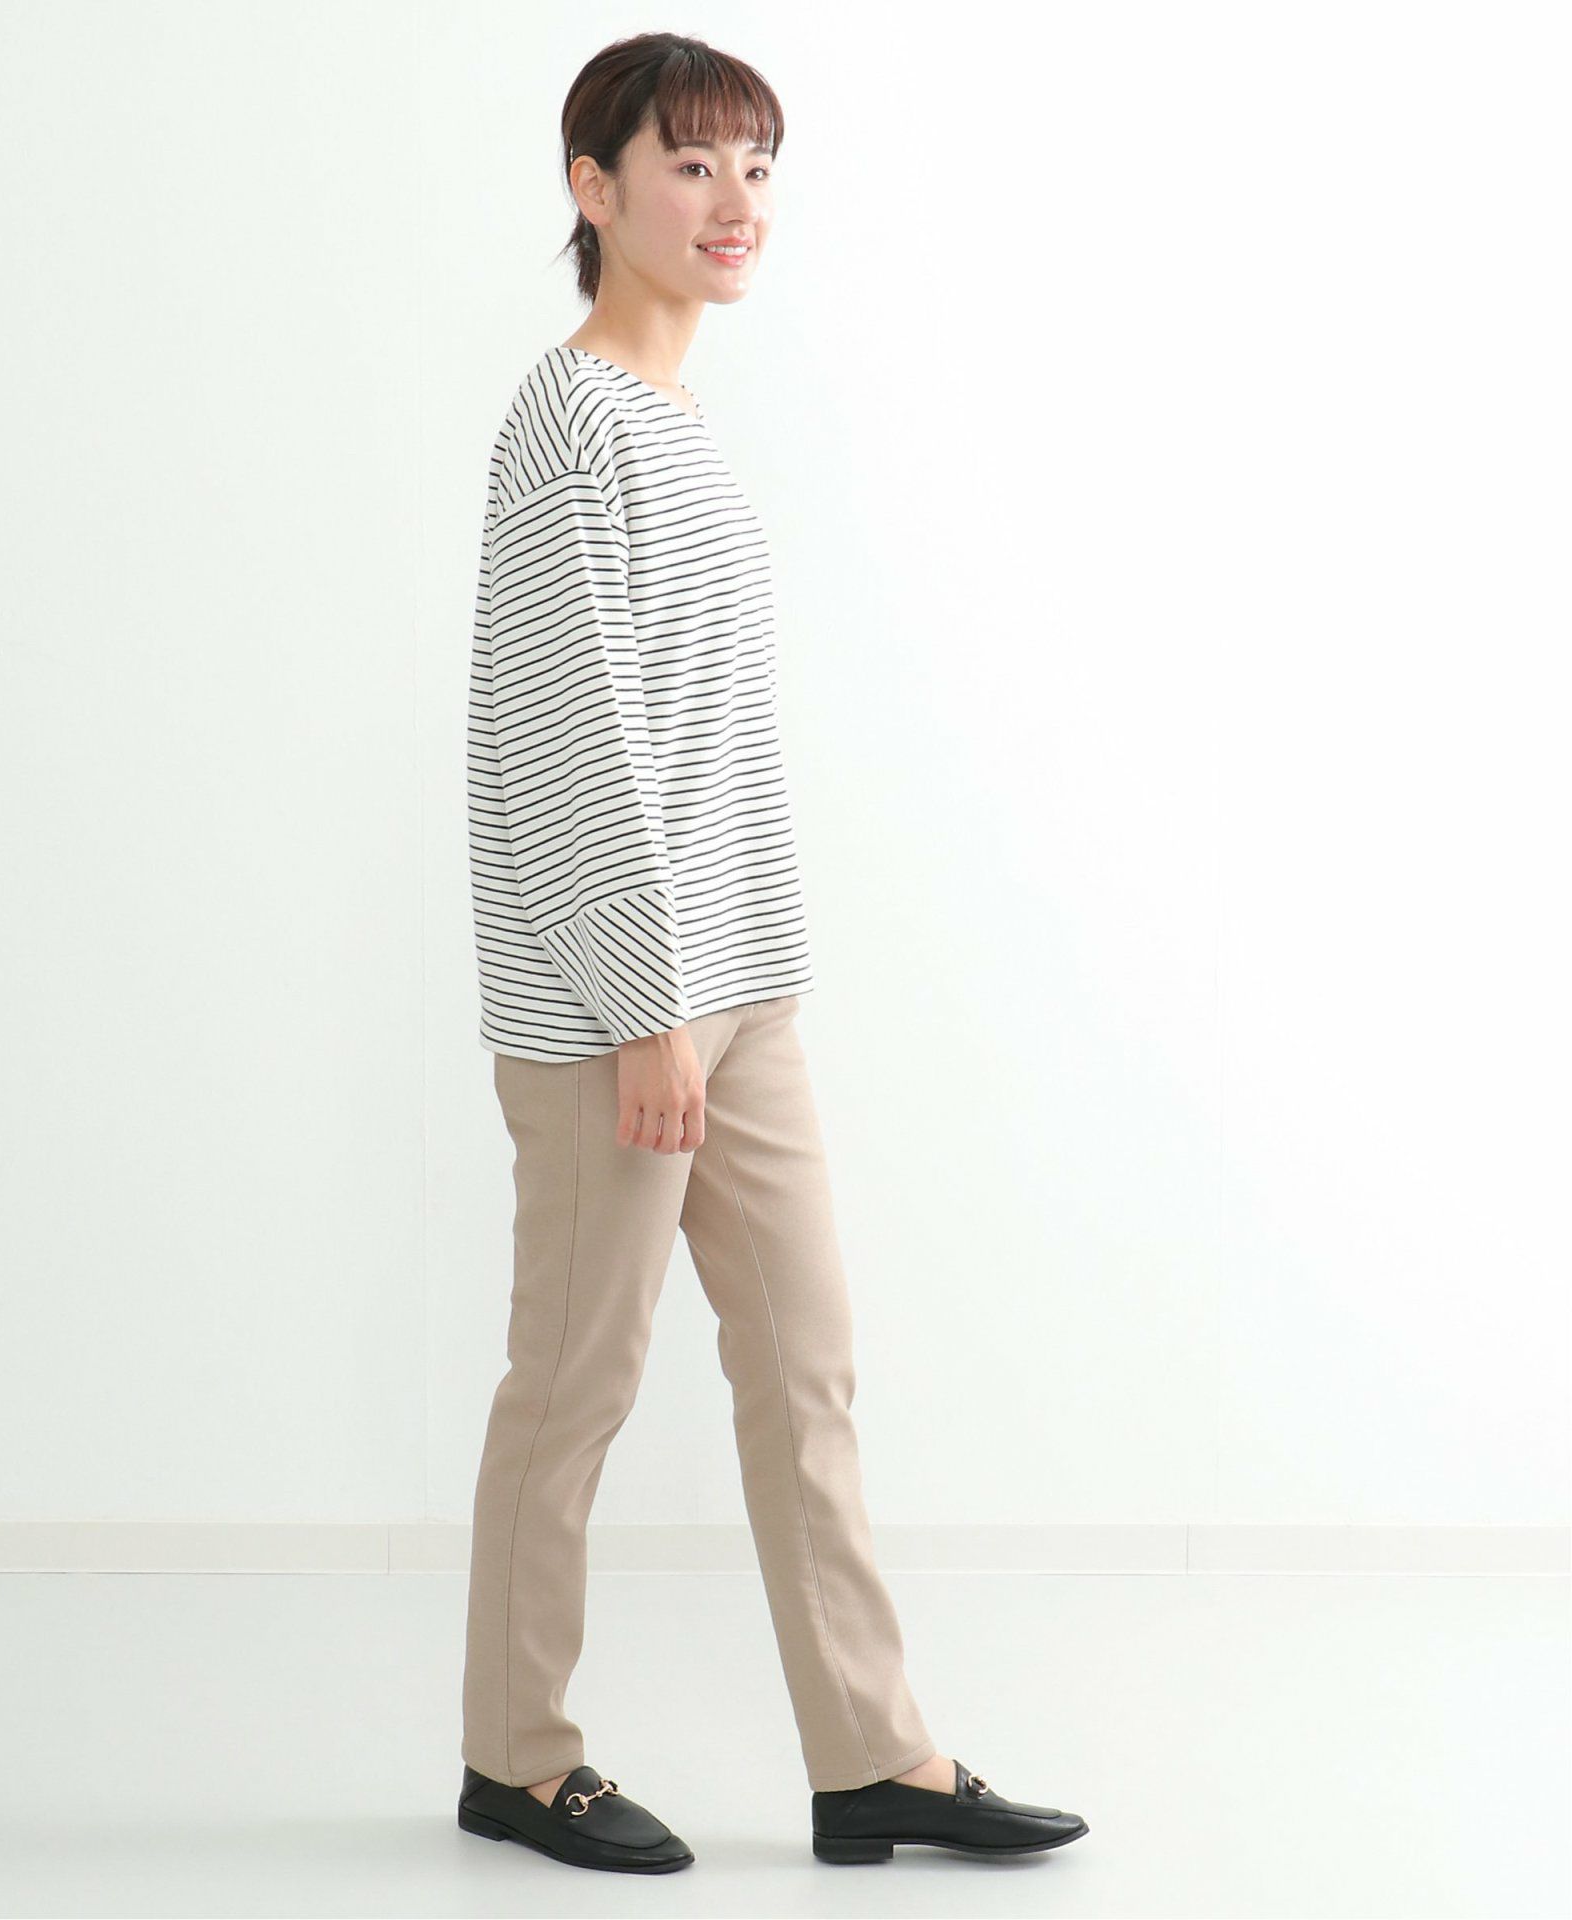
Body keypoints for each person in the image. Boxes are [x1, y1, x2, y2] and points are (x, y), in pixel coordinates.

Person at [456, 29, 1091, 1874]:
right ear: (595, 191)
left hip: (740, 993)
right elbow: (572, 735)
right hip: (615, 1010)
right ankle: (516, 1757)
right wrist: (647, 1007)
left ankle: (873, 1758)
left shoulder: (679, 422)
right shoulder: (568, 420)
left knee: (806, 1367)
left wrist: (737, 991)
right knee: (575, 1384)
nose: (735, 203)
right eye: (692, 164)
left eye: (756, 167)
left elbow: (706, 735)